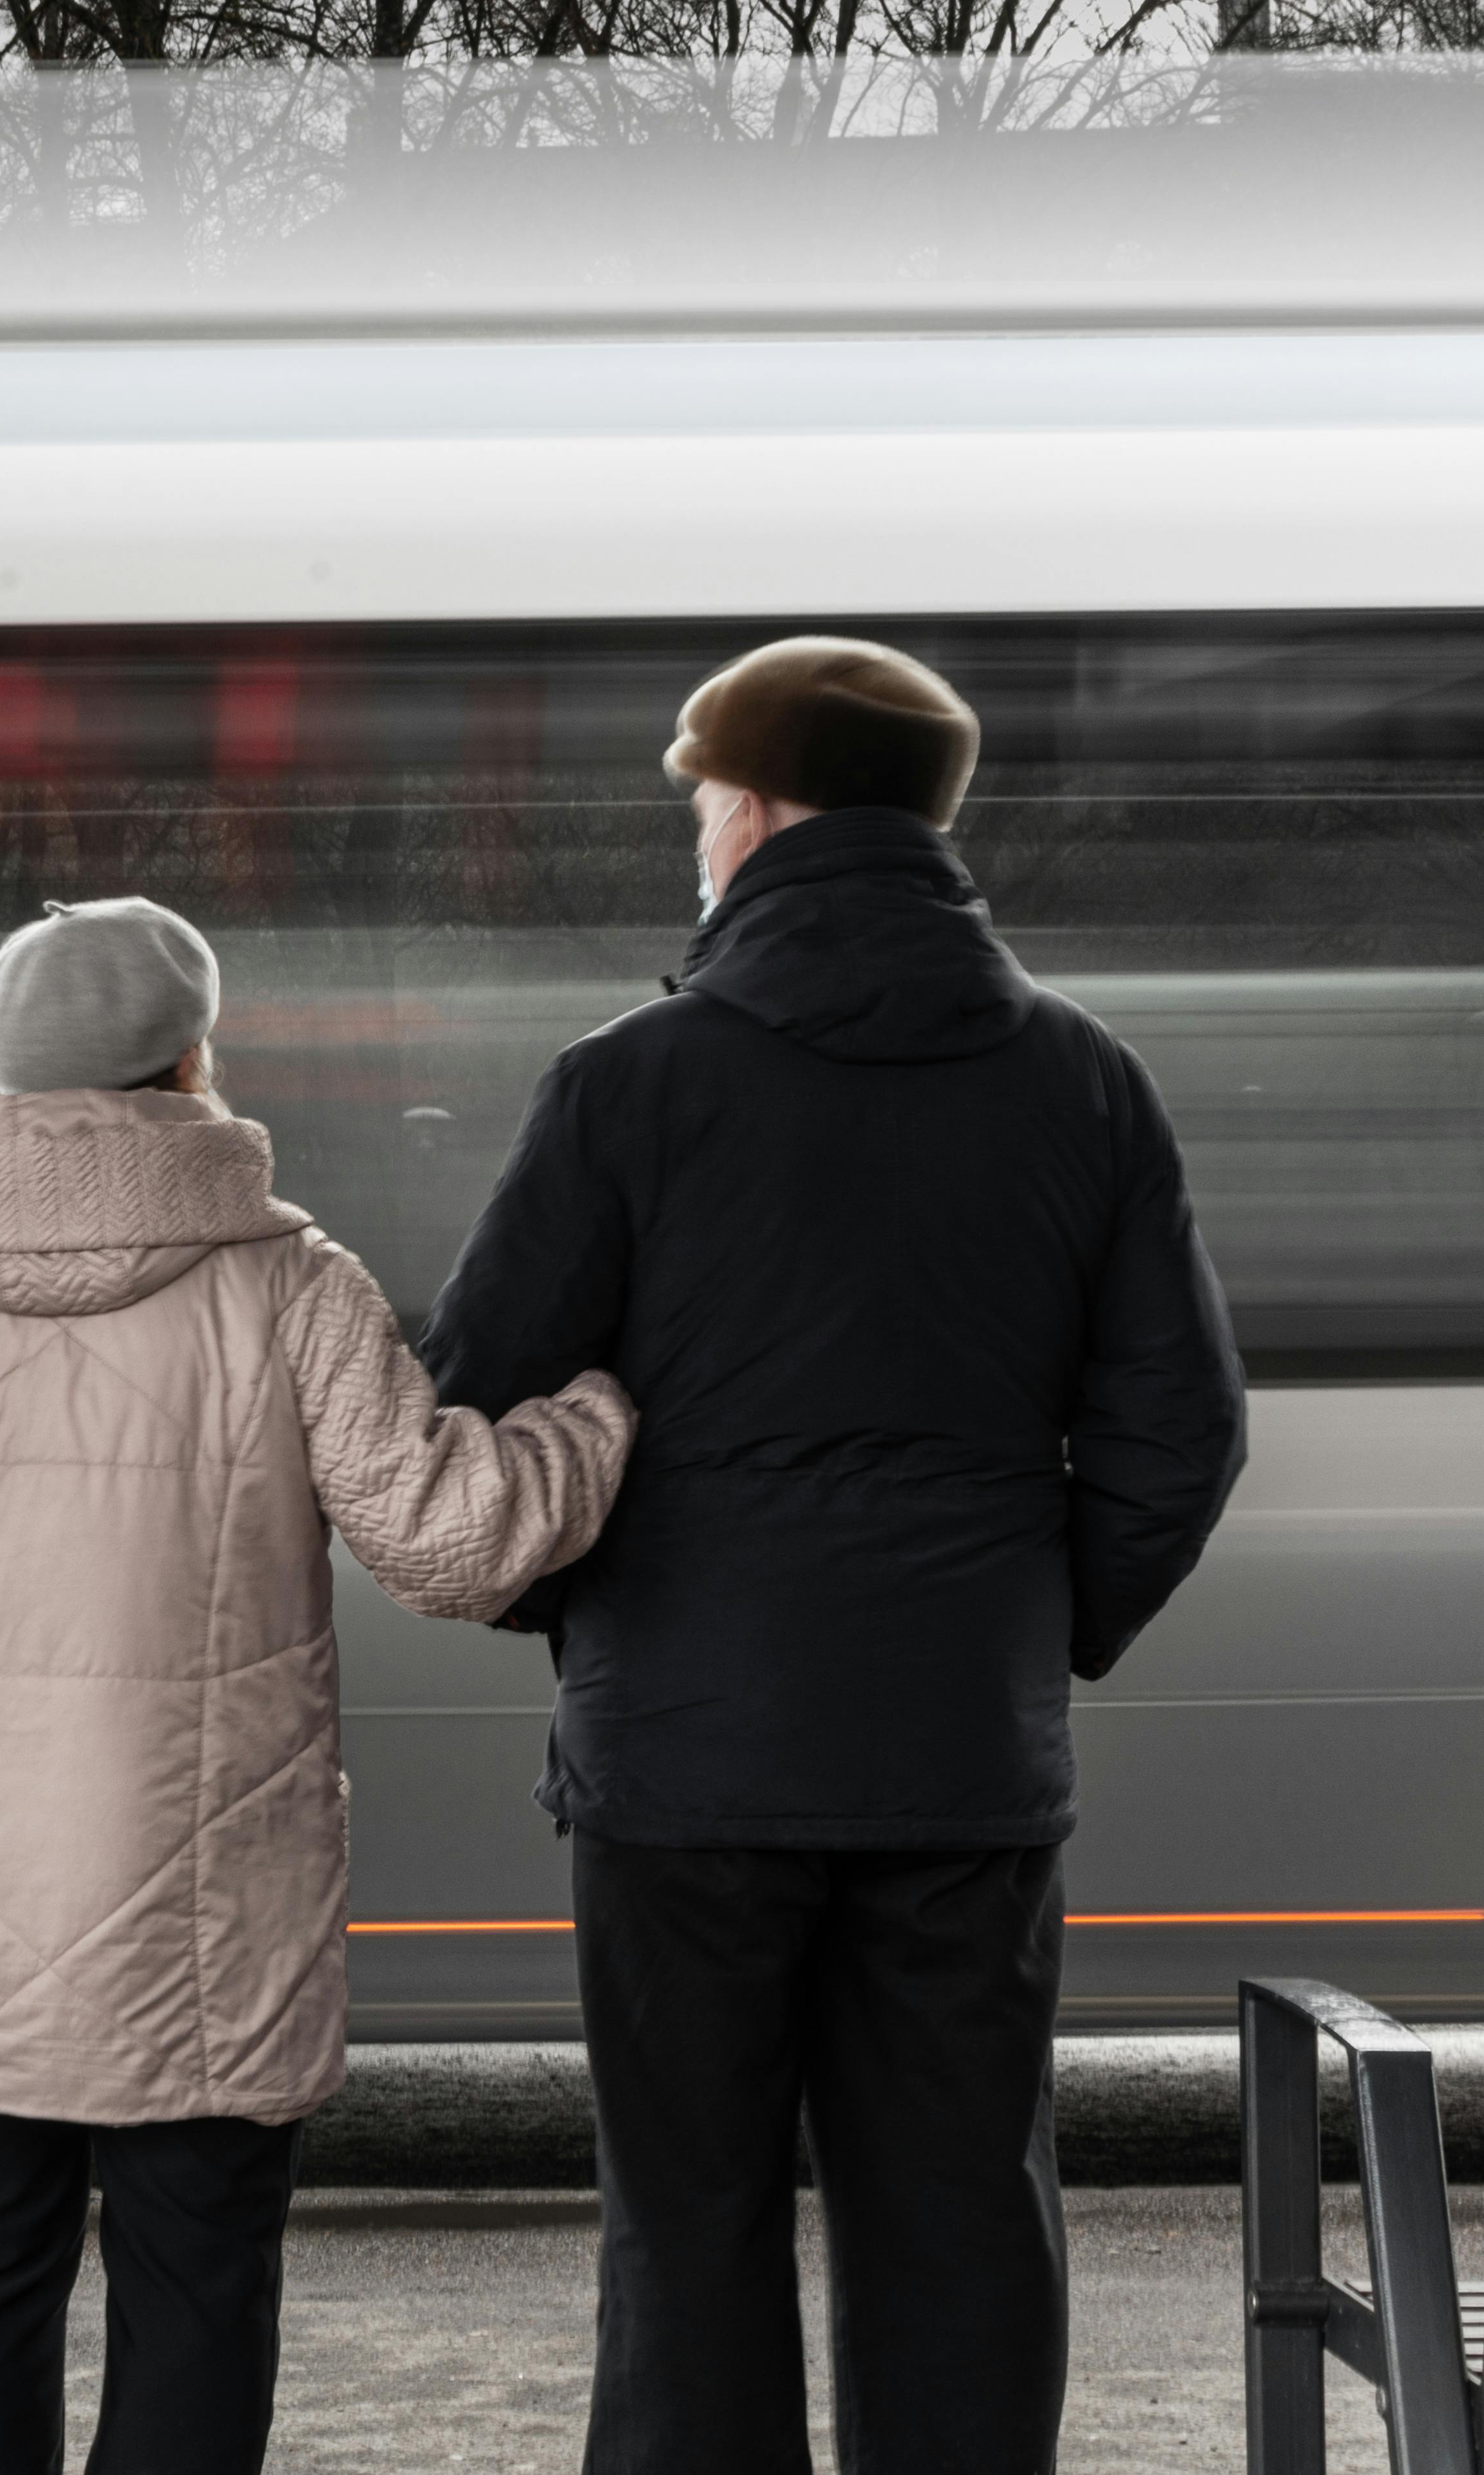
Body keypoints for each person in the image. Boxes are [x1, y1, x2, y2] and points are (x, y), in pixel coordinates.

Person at [419, 637, 1250, 2475]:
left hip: (684, 1766)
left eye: (703, 800)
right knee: (956, 2211)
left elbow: (472, 1408)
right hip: (960, 1753)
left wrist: (614, 1608)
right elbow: (1177, 1431)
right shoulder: (1082, 1082)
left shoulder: (626, 1084)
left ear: (756, 809)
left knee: (690, 2224)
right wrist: (1030, 1623)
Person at [0, 894, 636, 2475]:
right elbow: (452, 1545)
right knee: (198, 2290)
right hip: (206, 1909)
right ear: (189, 1057)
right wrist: (596, 1416)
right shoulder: (286, 1280)